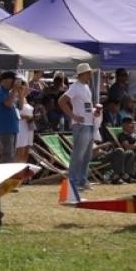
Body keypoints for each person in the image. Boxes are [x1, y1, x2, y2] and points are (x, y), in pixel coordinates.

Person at [60, 63, 98, 194]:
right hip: (81, 125)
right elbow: (62, 101)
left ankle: (82, 180)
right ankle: (73, 181)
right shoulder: (75, 87)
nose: (90, 75)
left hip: (89, 123)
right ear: (82, 74)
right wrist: (73, 116)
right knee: (78, 154)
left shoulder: (86, 87)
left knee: (87, 155)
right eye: (88, 73)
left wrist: (94, 113)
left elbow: (86, 106)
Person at [0, 71, 21, 162]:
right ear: (5, 80)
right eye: (13, 80)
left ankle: (8, 174)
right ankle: (3, 175)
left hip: (12, 128)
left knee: (11, 154)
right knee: (7, 154)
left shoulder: (9, 93)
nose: (14, 83)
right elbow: (8, 104)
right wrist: (14, 89)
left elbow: (21, 106)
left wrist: (20, 92)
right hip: (5, 128)